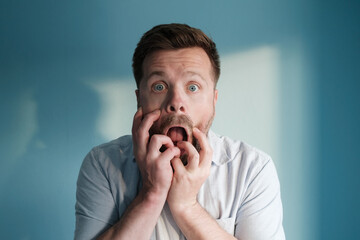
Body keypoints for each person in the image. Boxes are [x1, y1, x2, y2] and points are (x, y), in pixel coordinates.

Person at [74, 23, 285, 240]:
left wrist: (187, 206)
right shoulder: (103, 164)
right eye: (159, 86)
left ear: (214, 100)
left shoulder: (252, 169)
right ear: (139, 100)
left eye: (192, 87)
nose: (176, 102)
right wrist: (151, 193)